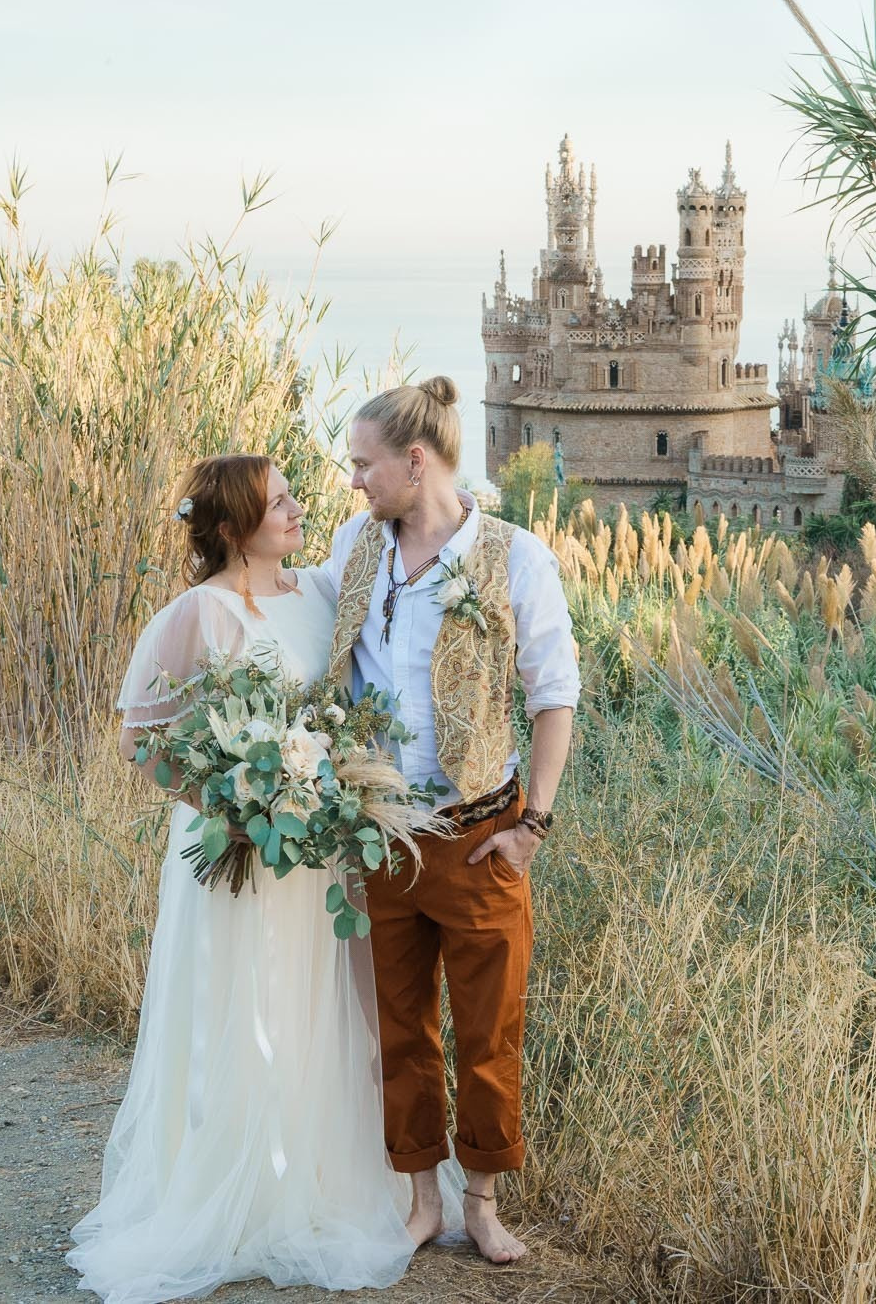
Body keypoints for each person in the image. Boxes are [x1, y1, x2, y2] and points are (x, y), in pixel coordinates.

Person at [67, 453, 460, 1304]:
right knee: (238, 1011)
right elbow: (139, 737)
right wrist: (230, 797)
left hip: (318, 852)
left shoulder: (321, 593)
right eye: (277, 501)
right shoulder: (196, 613)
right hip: (238, 854)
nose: (295, 507)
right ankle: (231, 1193)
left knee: (323, 1009)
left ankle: (321, 1183)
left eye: (290, 494)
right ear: (236, 527)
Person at [321, 375, 579, 1265]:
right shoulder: (357, 546)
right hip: (385, 831)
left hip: (479, 836)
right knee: (400, 1023)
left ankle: (484, 1202)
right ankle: (421, 1199)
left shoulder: (515, 555)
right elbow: (306, 627)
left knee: (488, 1026)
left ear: (415, 461)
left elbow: (556, 697)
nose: (355, 480)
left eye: (365, 464)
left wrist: (530, 827)